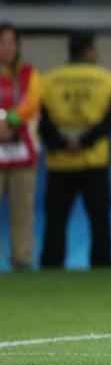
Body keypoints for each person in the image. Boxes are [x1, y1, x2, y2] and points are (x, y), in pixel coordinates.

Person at [38, 32, 111, 269]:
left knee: (55, 221)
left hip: (59, 161)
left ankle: (51, 268)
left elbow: (42, 121)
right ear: (89, 50)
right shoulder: (108, 79)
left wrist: (63, 143)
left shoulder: (48, 80)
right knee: (99, 221)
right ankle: (102, 267)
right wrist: (84, 141)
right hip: (94, 161)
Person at [0, 22, 39, 271]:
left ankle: (22, 260)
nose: (7, 47)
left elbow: (32, 102)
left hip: (22, 153)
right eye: (2, 42)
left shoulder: (28, 73)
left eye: (12, 42)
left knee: (22, 212)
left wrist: (10, 121)